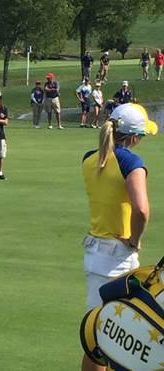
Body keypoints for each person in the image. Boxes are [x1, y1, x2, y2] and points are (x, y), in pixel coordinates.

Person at [80, 103, 157, 371]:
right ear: (134, 136)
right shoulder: (130, 162)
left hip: (94, 253)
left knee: (99, 333)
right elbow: (141, 210)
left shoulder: (90, 158)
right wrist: (135, 240)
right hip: (118, 258)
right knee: (112, 336)